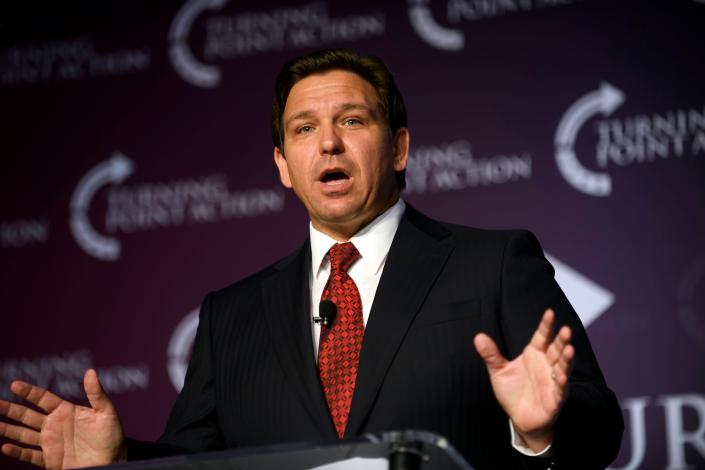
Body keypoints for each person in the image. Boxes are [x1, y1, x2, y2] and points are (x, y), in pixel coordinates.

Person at [0, 49, 623, 469]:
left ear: (399, 147)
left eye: (352, 119)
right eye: (303, 129)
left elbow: (600, 426)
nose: (327, 141)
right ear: (281, 166)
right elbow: (197, 463)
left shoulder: (492, 263)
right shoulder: (232, 315)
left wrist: (539, 432)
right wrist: (121, 463)